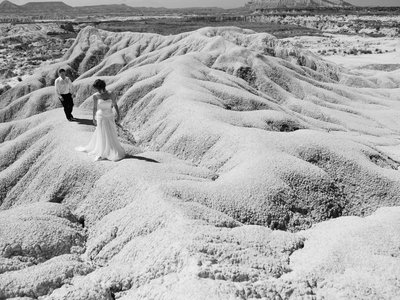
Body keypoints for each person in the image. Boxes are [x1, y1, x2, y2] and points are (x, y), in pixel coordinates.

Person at [76, 79, 125, 161]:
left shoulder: (111, 94)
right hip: (101, 116)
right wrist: (93, 118)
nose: (97, 90)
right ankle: (101, 152)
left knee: (111, 132)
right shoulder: (95, 96)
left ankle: (111, 150)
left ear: (101, 87)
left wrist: (118, 115)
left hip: (110, 116)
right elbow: (95, 108)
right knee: (102, 133)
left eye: (97, 88)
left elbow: (115, 104)